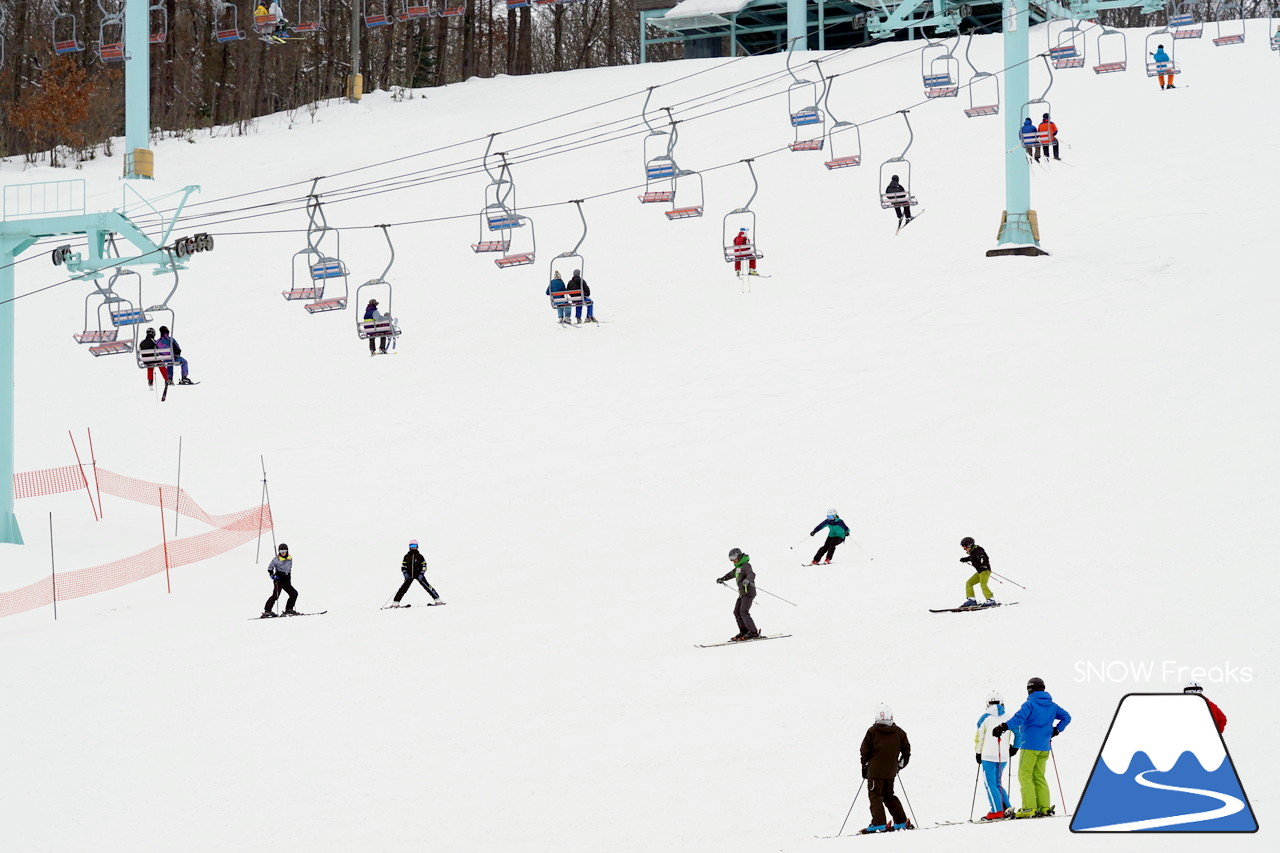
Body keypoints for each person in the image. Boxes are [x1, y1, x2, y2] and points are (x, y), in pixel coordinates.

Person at [993, 676, 1071, 819]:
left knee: (1025, 776)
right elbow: (1067, 717)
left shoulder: (1030, 705)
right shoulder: (1052, 706)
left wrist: (1003, 726)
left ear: (1029, 690)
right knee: (1039, 776)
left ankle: (1029, 808)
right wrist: (1056, 730)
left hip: (1029, 746)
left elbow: (1018, 719)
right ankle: (1044, 807)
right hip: (1044, 747)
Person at [859, 703, 913, 833]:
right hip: (890, 771)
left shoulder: (872, 732)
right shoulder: (899, 732)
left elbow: (864, 751)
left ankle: (878, 824)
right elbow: (906, 750)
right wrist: (899, 765)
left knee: (875, 796)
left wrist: (864, 767)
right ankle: (901, 821)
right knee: (889, 795)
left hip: (875, 772)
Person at [975, 690, 1018, 820]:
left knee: (990, 783)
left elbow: (979, 737)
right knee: (998, 783)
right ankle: (1006, 808)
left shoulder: (984, 718)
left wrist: (978, 753)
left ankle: (996, 811)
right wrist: (1015, 747)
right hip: (1003, 755)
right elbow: (1018, 732)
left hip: (988, 756)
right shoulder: (1009, 717)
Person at [716, 548, 758, 641]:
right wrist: (722, 578)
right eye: (730, 558)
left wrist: (748, 580)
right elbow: (731, 574)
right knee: (736, 612)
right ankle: (744, 631)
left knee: (743, 612)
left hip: (748, 593)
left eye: (733, 557)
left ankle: (753, 632)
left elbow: (751, 574)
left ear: (738, 555)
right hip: (742, 593)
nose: (732, 560)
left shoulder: (746, 565)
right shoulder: (738, 567)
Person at [387, 539, 444, 607]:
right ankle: (395, 602)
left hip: (418, 574)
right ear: (409, 547)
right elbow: (403, 566)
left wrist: (421, 574)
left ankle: (437, 599)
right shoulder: (406, 556)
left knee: (427, 586)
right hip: (409, 575)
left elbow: (424, 565)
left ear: (417, 546)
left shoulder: (420, 556)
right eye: (411, 545)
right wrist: (405, 573)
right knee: (403, 588)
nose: (413, 547)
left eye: (414, 545)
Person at [262, 542, 300, 617]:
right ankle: (267, 611)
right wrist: (272, 575)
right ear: (279, 552)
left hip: (286, 579)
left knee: (294, 594)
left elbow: (288, 570)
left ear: (287, 551)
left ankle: (289, 609)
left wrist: (288, 578)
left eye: (285, 551)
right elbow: (270, 568)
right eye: (281, 552)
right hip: (278, 579)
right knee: (275, 595)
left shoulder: (290, 558)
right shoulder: (276, 559)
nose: (283, 553)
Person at [959, 536, 996, 608]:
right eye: (963, 547)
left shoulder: (978, 550)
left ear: (970, 545)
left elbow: (983, 556)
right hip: (980, 572)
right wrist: (965, 559)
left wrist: (983, 564)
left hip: (985, 570)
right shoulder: (972, 552)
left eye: (965, 547)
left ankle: (991, 600)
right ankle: (972, 600)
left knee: (983, 584)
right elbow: (973, 558)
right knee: (969, 583)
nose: (964, 549)